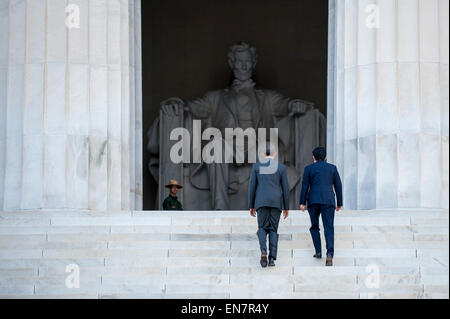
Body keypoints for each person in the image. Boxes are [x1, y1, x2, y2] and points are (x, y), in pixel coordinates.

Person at [248, 143, 290, 268]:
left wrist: (251, 205)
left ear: (262, 154)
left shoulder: (256, 167)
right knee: (273, 229)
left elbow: (252, 187)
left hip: (261, 202)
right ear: (275, 154)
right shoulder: (281, 168)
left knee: (262, 228)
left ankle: (263, 251)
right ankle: (272, 259)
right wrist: (286, 207)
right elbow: (285, 188)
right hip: (276, 202)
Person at [299, 147, 343, 266]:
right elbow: (338, 186)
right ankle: (329, 254)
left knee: (314, 226)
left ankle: (318, 252)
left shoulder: (308, 169)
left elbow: (304, 186)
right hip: (328, 200)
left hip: (313, 200)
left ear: (313, 158)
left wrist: (302, 202)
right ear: (325, 157)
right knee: (329, 227)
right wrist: (339, 203)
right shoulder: (332, 168)